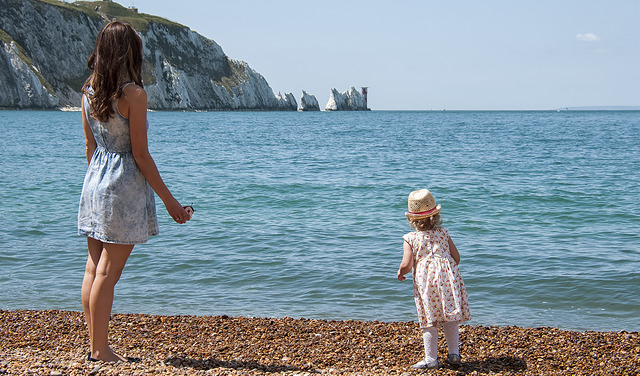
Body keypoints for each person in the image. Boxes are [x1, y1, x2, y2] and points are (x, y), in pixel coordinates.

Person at [78, 21, 191, 362]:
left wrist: (97, 183)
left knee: (93, 270)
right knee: (107, 275)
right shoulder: (133, 95)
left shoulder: (88, 91)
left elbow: (89, 146)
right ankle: (100, 350)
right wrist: (171, 203)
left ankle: (95, 343)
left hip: (94, 181)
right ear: (131, 52)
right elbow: (140, 155)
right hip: (122, 187)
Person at [397, 189, 470, 369]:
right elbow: (457, 258)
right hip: (448, 276)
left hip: (427, 280)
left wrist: (401, 272)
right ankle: (454, 354)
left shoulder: (410, 238)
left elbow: (407, 263)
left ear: (411, 219)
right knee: (450, 316)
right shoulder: (443, 233)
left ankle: (431, 359)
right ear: (435, 215)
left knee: (429, 319)